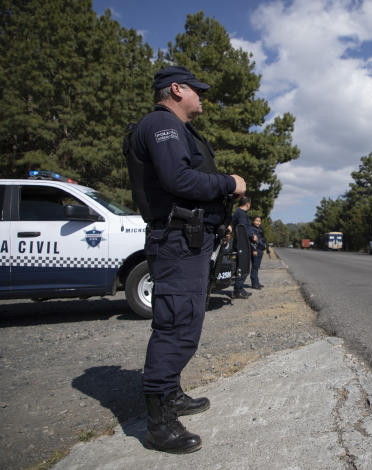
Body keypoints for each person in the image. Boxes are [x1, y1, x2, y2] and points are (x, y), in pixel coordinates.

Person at [127, 65, 246, 454]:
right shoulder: (162, 126)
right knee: (177, 324)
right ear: (176, 89)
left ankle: (172, 393)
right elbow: (179, 180)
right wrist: (230, 183)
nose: (202, 97)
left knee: (186, 319)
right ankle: (159, 424)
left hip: (188, 237)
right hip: (177, 239)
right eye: (197, 90)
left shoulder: (176, 128)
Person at [231, 197, 255, 299]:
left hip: (241, 243)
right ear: (248, 204)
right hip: (242, 244)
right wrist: (252, 236)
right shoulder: (241, 213)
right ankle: (238, 290)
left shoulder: (239, 212)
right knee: (243, 265)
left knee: (241, 265)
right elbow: (243, 228)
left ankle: (239, 288)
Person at [249, 216, 269, 289]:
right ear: (253, 221)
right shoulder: (252, 229)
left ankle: (256, 282)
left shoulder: (259, 229)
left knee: (257, 267)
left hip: (260, 250)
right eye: (256, 221)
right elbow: (252, 241)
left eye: (259, 221)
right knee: (254, 267)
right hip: (256, 250)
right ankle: (254, 284)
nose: (258, 222)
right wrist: (254, 250)